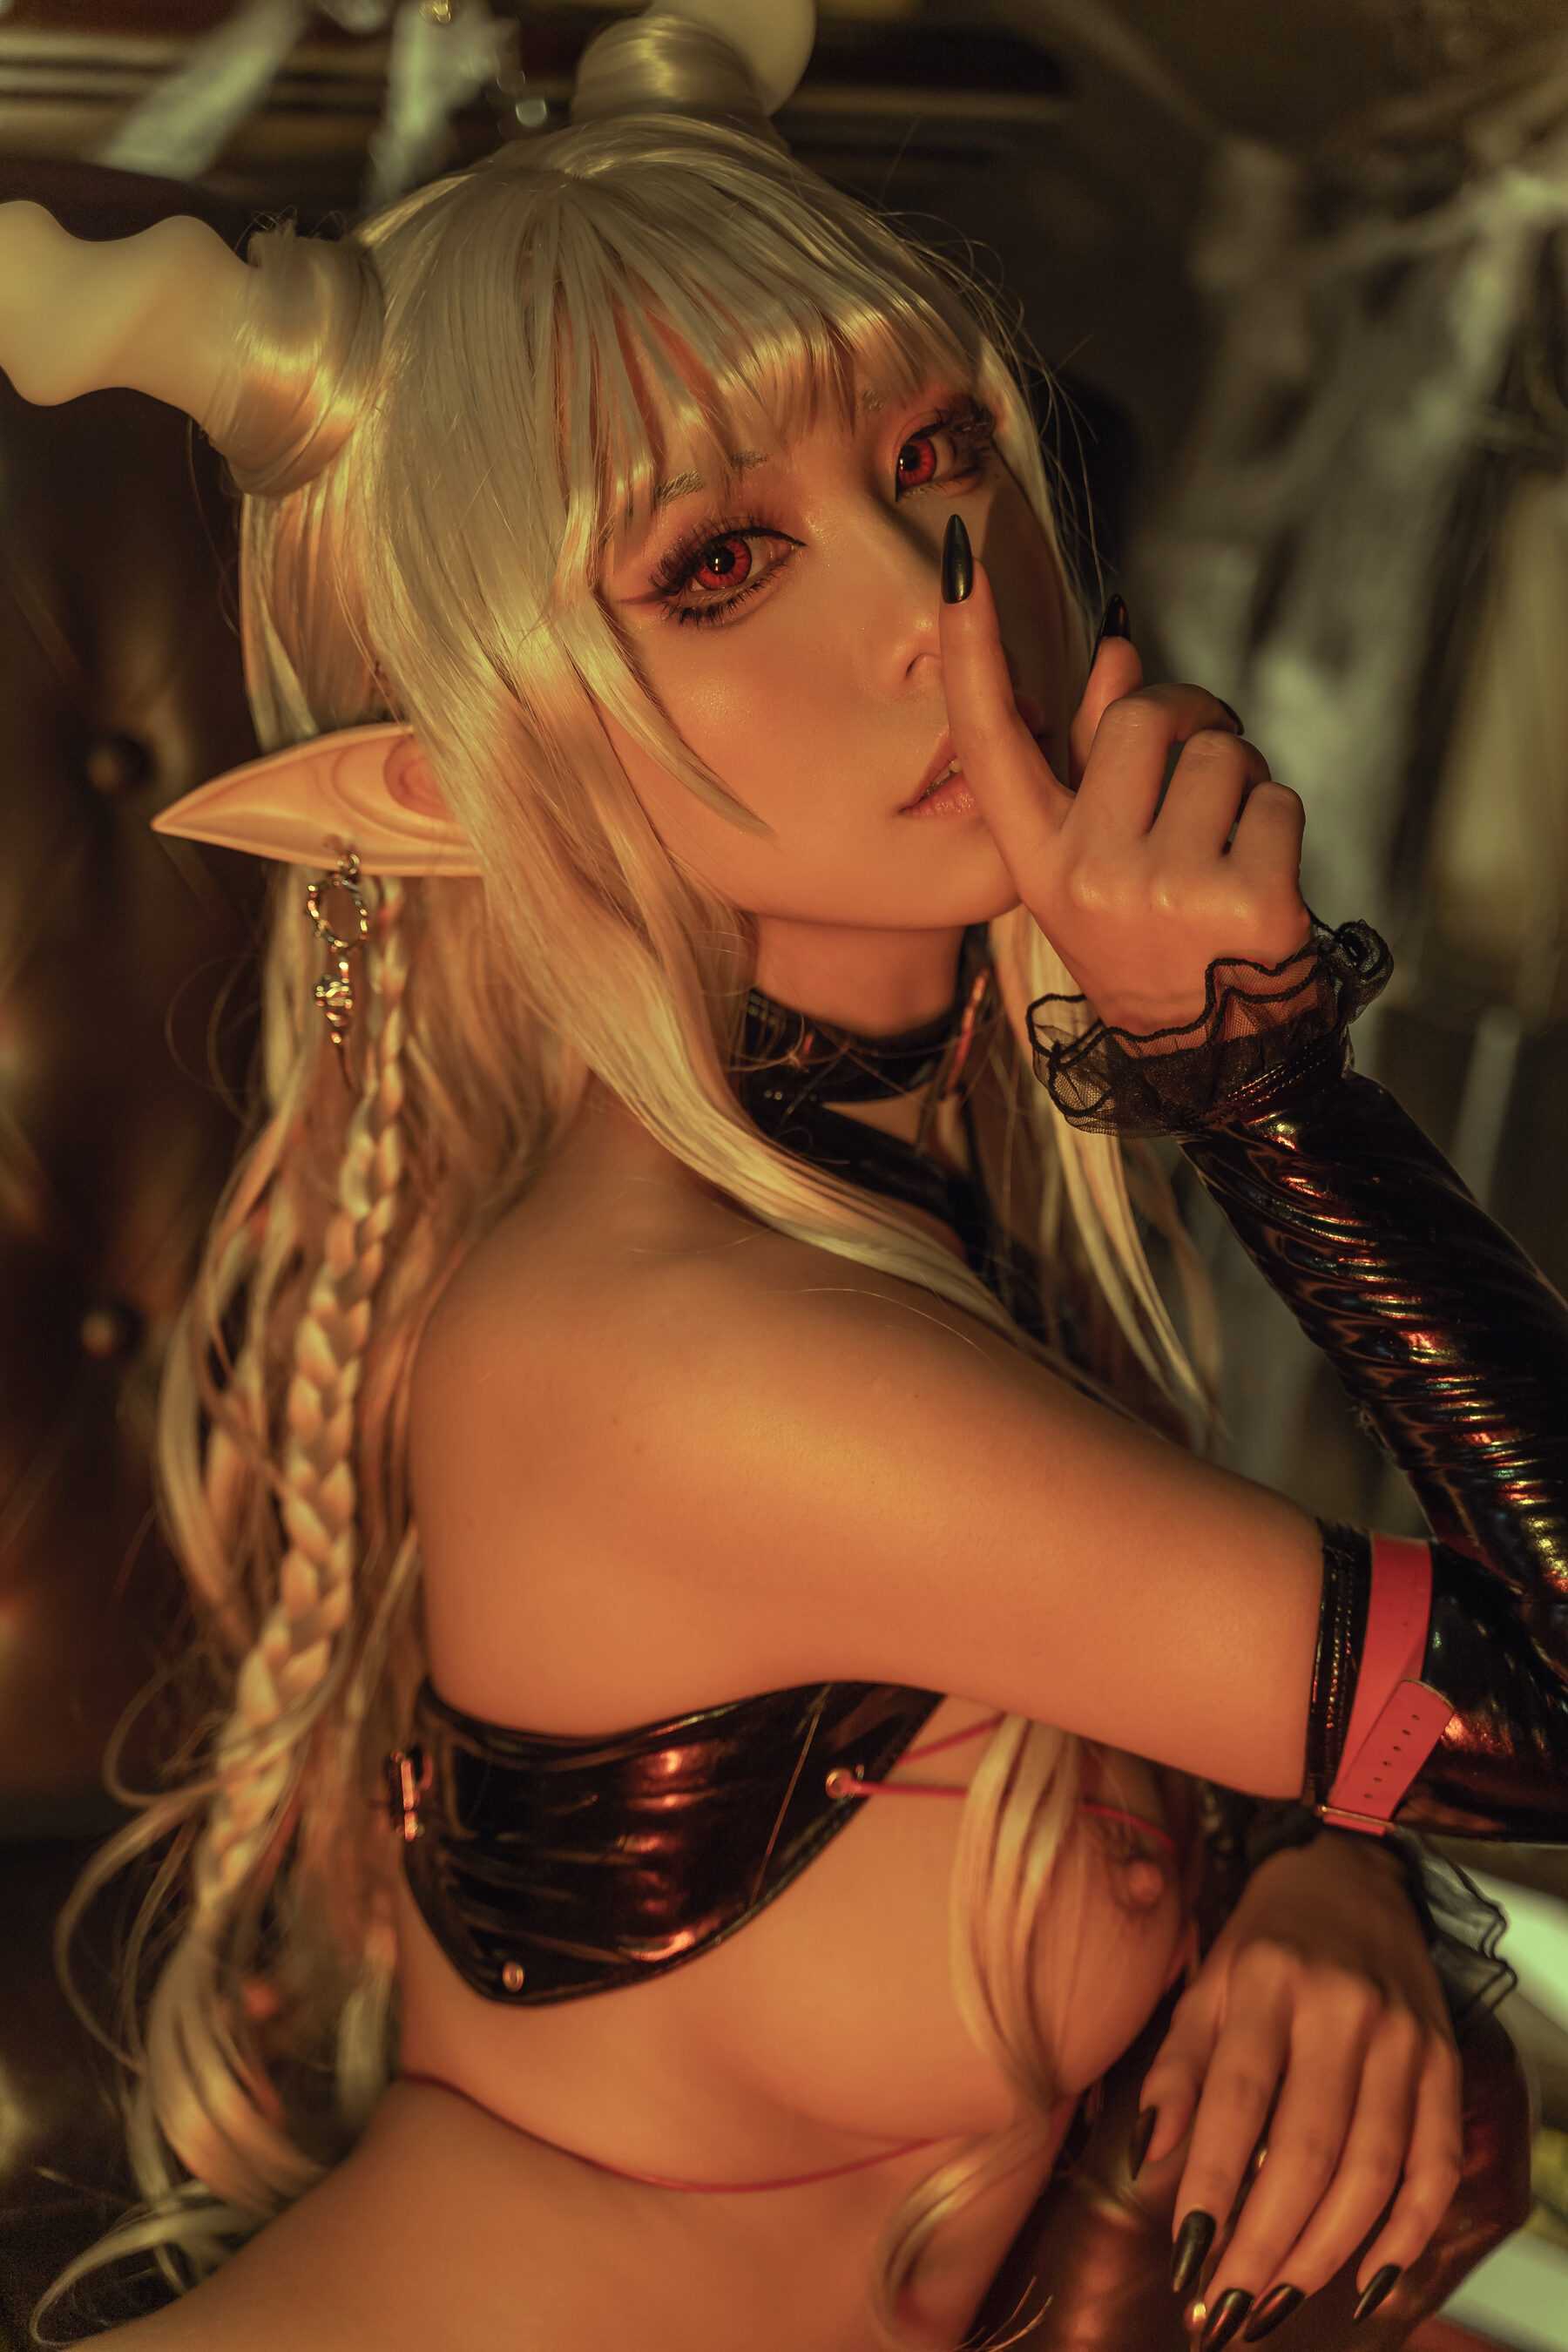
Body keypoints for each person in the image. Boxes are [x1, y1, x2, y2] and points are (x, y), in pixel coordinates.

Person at [2, 5, 1562, 2348]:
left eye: (934, 449)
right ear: (449, 784)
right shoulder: (681, 1350)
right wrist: (1258, 1074)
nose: (934, 590)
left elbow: (1283, 1698)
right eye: (721, 561)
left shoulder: (900, 1219)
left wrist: (1335, 1877)